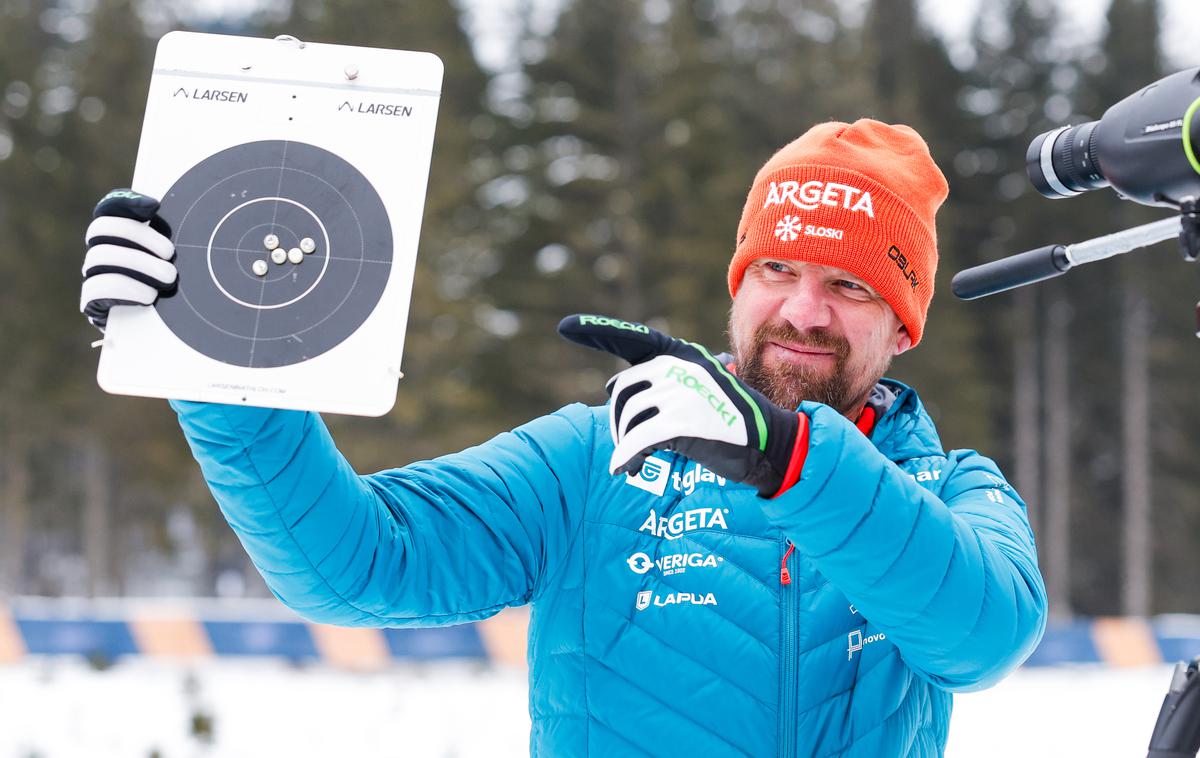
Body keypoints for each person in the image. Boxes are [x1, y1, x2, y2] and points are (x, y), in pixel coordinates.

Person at [81, 119, 1047, 757]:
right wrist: (216, 355)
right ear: (737, 283)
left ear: (902, 319)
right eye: (779, 269)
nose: (803, 309)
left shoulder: (950, 489)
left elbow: (986, 638)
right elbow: (356, 565)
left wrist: (789, 460)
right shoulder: (597, 459)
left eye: (848, 285)